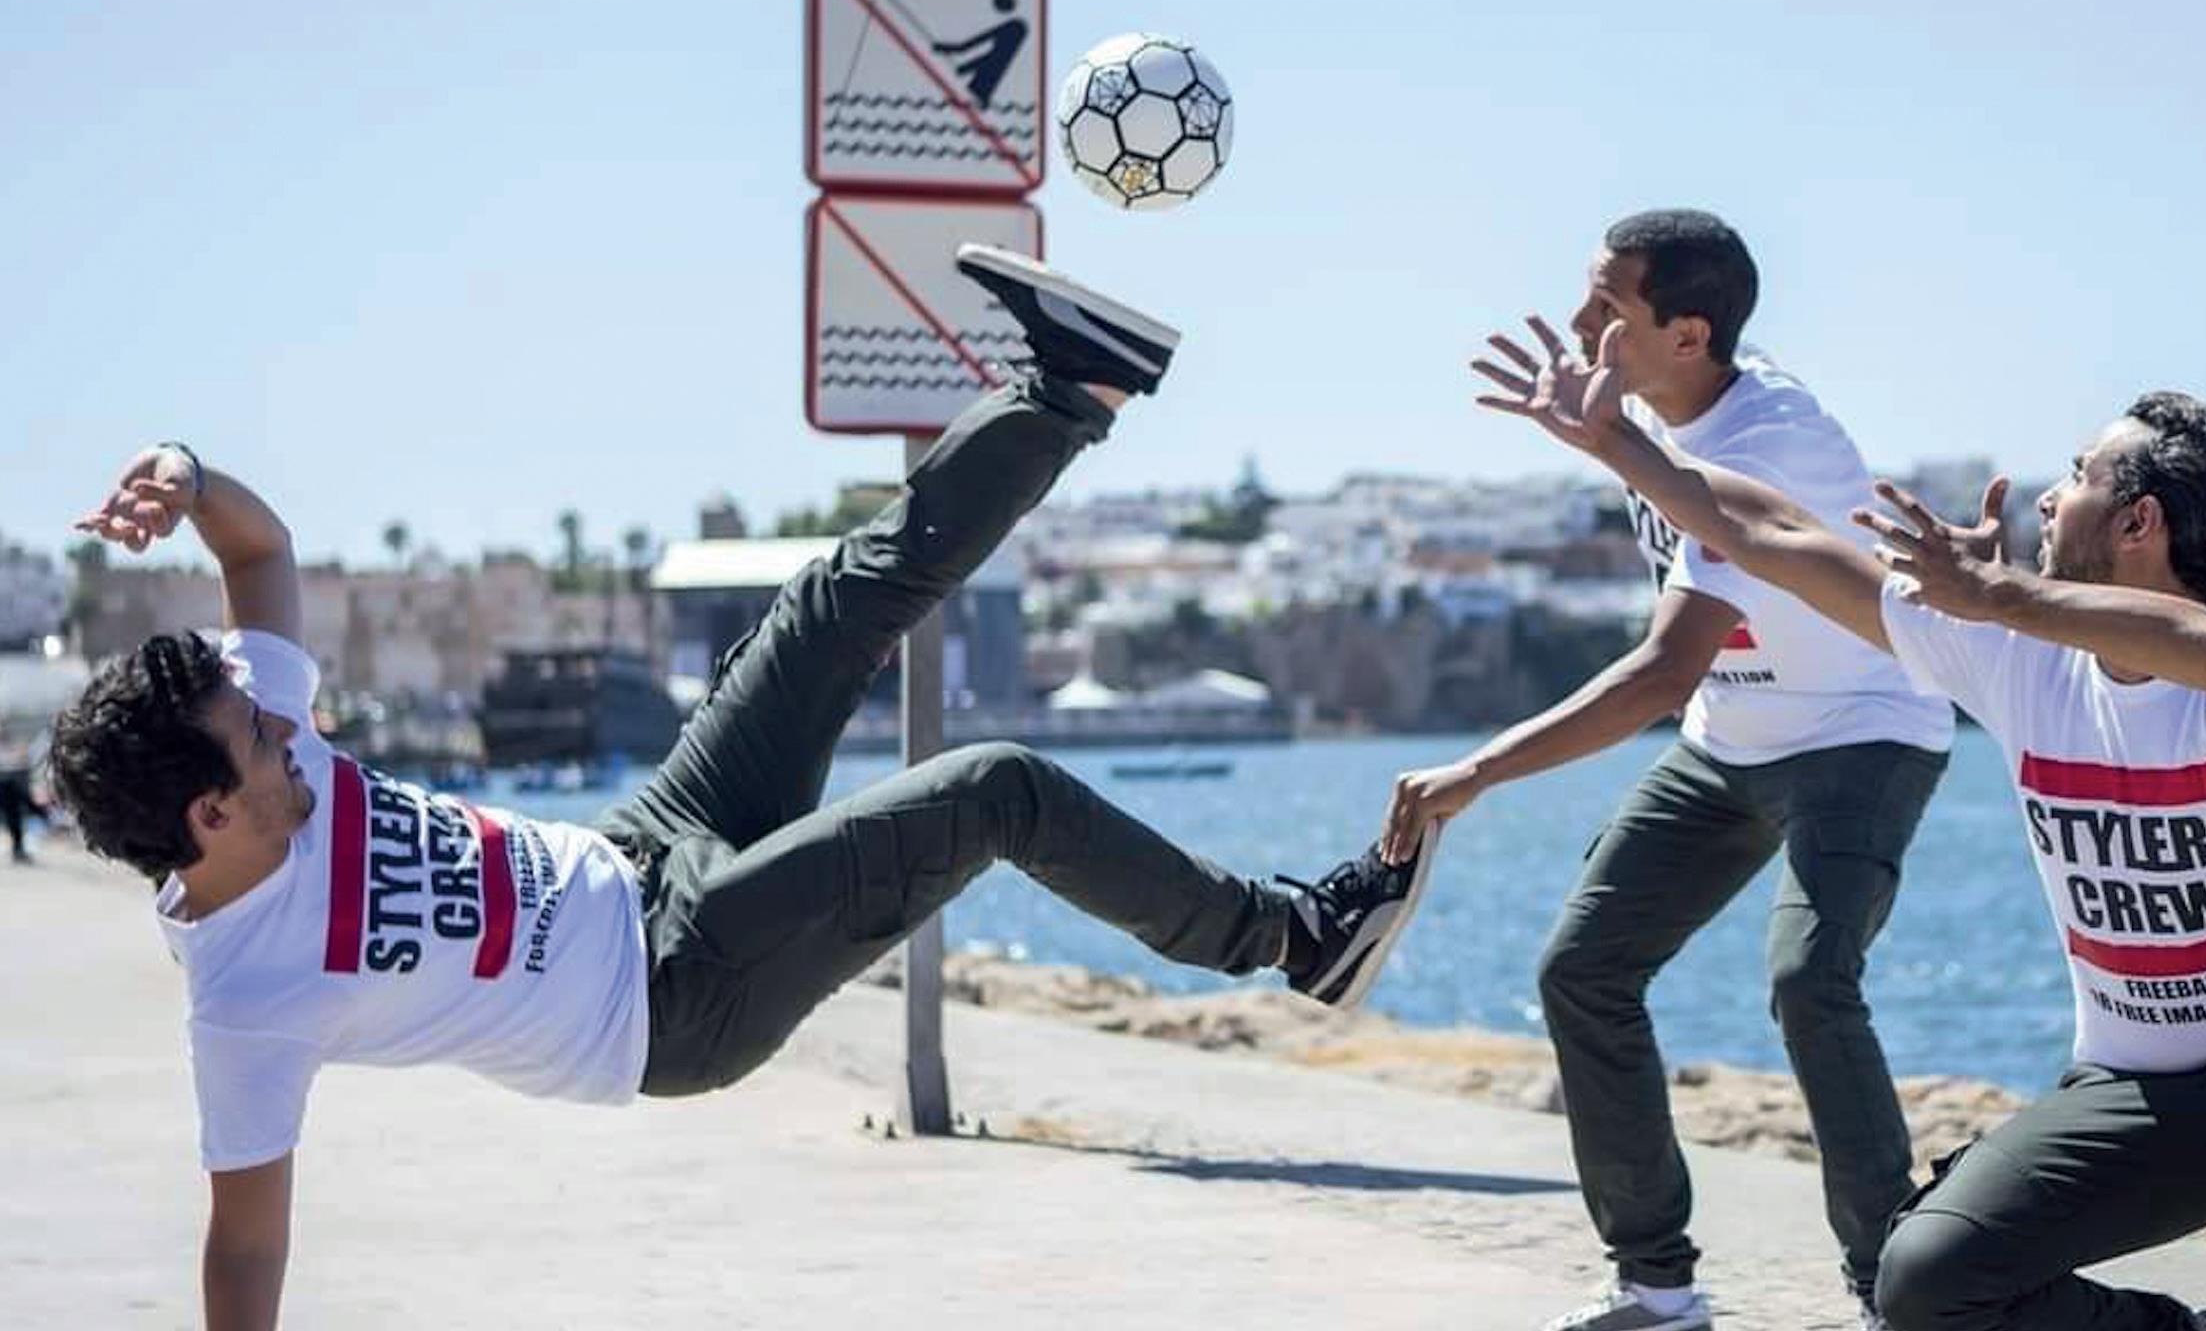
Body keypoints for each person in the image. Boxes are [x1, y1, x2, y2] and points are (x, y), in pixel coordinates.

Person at [43, 247, 1426, 1331]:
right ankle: (1297, 937)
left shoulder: (250, 743)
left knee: (825, 607)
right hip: (675, 994)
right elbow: (246, 1237)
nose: (291, 732)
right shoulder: (246, 1003)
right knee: (992, 788)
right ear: (207, 818)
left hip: (646, 846)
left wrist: (185, 469)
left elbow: (260, 551)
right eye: (260, 744)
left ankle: (1075, 389)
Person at [1468, 308, 2206, 1331]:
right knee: (1921, 1283)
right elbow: (1772, 534)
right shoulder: (2008, 653)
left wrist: (2000, 598)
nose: (2047, 494)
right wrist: (1619, 444)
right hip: (2138, 1092)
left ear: (2136, 523)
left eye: (2076, 475)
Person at [1379, 211, 1954, 1331]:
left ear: (1689, 334)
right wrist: (1596, 430)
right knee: (1582, 971)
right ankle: (1655, 1284)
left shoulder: (1764, 444)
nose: (1581, 326)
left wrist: (1475, 773)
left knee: (1807, 982)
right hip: (1728, 738)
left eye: (1609, 309)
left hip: (1860, 732)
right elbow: (1685, 682)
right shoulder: (1639, 402)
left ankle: (1894, 1288)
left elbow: (1659, 670)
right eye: (1587, 296)